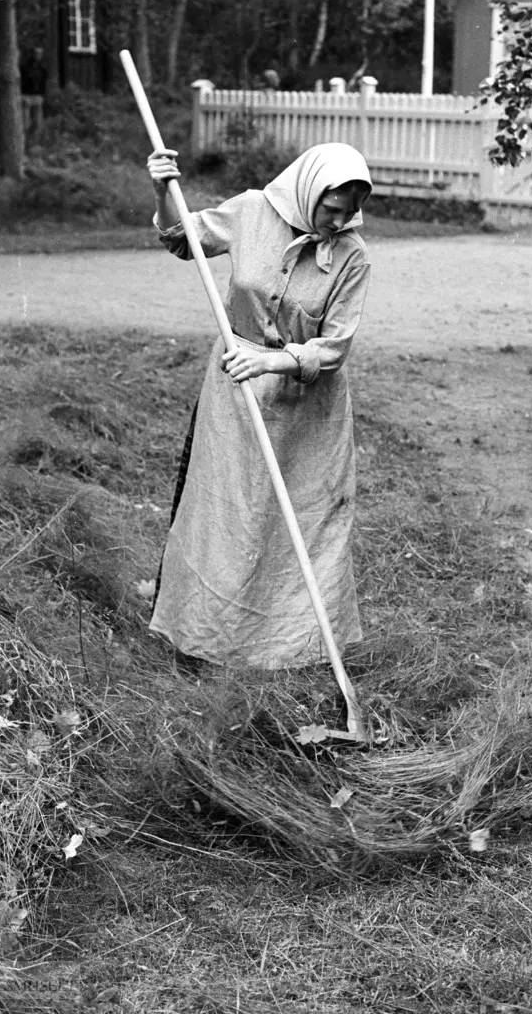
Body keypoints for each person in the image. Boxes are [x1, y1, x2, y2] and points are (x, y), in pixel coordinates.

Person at [146, 142, 372, 669]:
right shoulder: (251, 211)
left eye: (348, 213)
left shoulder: (353, 257)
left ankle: (295, 648)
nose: (336, 223)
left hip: (307, 409)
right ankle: (205, 638)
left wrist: (273, 363)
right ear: (308, 190)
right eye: (329, 209)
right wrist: (162, 191)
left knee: (298, 519)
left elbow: (334, 347)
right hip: (234, 393)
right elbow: (183, 239)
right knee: (226, 513)